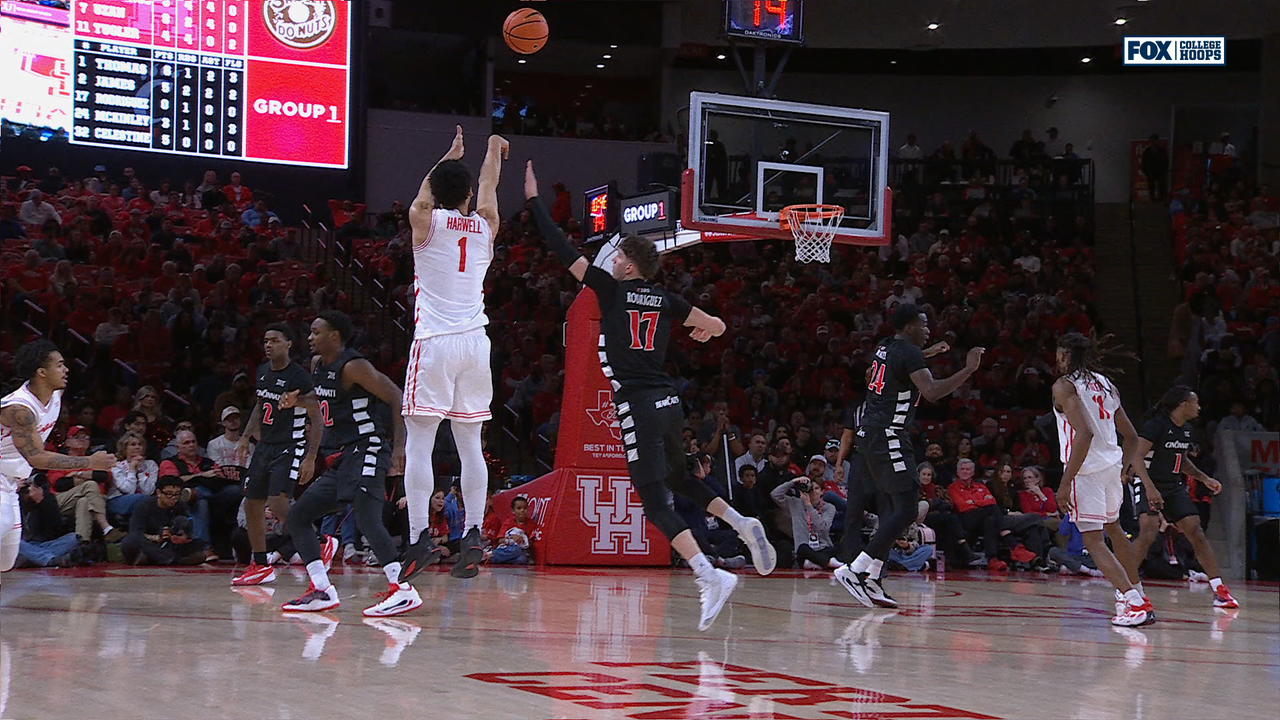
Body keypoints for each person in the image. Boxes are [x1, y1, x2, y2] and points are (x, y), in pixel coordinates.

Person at [526, 159, 777, 631]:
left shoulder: (609, 290)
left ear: (628, 263)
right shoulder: (666, 299)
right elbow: (718, 325)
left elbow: (561, 249)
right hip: (668, 401)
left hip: (639, 404)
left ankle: (709, 575)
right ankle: (741, 522)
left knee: (654, 501)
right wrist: (705, 331)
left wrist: (534, 201)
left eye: (617, 256)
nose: (611, 261)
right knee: (679, 478)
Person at [401, 126, 509, 582]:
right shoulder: (486, 225)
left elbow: (423, 199)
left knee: (420, 442)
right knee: (470, 446)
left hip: (436, 341)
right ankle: (474, 534)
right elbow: (488, 185)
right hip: (476, 343)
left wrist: (447, 157)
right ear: (466, 195)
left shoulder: (425, 221)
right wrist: (492, 150)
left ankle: (418, 539)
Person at [835, 304, 984, 608]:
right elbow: (932, 392)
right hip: (887, 433)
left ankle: (872, 576)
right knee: (906, 508)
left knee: (897, 508)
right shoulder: (908, 352)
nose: (928, 330)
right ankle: (856, 569)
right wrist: (969, 369)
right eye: (923, 324)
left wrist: (929, 353)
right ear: (908, 327)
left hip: (873, 434)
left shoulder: (887, 345)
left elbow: (900, 364)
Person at [281, 311, 417, 617]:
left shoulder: (354, 366)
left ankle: (403, 589)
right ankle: (321, 589)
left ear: (335, 336)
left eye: (316, 332)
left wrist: (399, 448)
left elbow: (397, 396)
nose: (310, 337)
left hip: (369, 446)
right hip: (346, 455)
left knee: (367, 517)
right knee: (298, 516)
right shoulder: (318, 365)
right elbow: (323, 399)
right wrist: (298, 401)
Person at [1051, 332, 1153, 626]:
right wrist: (1123, 467)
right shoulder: (1106, 384)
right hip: (1110, 466)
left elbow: (1084, 434)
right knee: (1114, 529)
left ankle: (1134, 602)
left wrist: (1065, 482)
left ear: (1066, 355)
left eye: (1059, 355)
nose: (1057, 360)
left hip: (1085, 470)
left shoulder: (1064, 386)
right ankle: (1137, 592)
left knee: (1093, 540)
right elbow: (1131, 436)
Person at [1, 342, 117, 583]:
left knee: (6, 560)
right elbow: (36, 457)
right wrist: (89, 461)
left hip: (11, 481)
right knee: (4, 523)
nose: (66, 369)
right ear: (41, 372)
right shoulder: (20, 409)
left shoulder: (56, 394)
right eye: (60, 365)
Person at [231, 324, 324, 587]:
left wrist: (310, 456)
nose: (268, 345)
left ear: (288, 344)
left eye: (274, 340)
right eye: (265, 340)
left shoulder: (299, 377)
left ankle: (319, 542)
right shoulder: (262, 372)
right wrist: (245, 436)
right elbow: (260, 406)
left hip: (290, 444)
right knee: (252, 503)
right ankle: (260, 565)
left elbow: (317, 417)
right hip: (265, 445)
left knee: (278, 502)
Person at [1130, 386, 1238, 609]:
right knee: (1148, 531)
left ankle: (1219, 589)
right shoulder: (1155, 425)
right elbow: (1136, 457)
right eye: (1195, 403)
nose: (1199, 407)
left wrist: (1204, 478)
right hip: (1149, 482)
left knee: (1196, 531)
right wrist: (1150, 488)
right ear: (1183, 404)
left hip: (1173, 486)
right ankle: (1128, 589)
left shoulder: (1187, 430)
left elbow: (1181, 461)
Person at [121, 475, 206, 565]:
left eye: (177, 494)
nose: (173, 498)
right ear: (159, 492)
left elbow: (187, 530)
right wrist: (156, 537)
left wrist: (180, 537)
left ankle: (154, 559)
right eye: (169, 494)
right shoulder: (144, 505)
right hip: (150, 542)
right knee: (130, 541)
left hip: (169, 544)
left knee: (198, 543)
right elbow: (135, 532)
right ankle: (172, 559)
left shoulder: (181, 506)